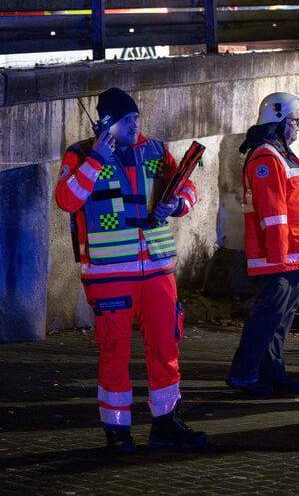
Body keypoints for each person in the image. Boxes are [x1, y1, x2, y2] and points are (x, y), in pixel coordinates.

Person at [55, 87, 207, 454]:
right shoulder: (80, 155)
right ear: (106, 125)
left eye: (137, 117)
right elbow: (66, 199)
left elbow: (185, 187)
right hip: (109, 275)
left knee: (166, 347)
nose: (136, 123)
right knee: (115, 351)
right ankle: (117, 430)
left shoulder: (153, 150)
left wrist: (177, 206)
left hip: (157, 269)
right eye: (127, 119)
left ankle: (166, 423)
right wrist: (95, 160)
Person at [226, 92, 299, 395]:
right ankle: (243, 375)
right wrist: (279, 255)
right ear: (278, 121)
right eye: (295, 121)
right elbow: (273, 213)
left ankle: (272, 371)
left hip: (293, 254)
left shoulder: (281, 153)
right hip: (280, 255)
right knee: (267, 317)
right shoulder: (266, 157)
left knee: (281, 317)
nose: (298, 127)